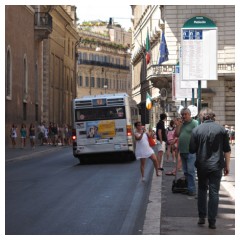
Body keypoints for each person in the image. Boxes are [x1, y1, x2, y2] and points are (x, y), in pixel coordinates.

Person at [189, 108, 231, 229]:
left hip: (202, 166)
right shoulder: (222, 130)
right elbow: (227, 150)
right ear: (213, 117)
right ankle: (212, 221)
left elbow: (191, 149)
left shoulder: (196, 130)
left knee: (202, 190)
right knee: (214, 192)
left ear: (202, 117)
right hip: (217, 166)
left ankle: (202, 217)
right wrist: (227, 166)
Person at [175, 107, 198, 196]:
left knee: (191, 171)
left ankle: (192, 190)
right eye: (182, 115)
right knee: (185, 171)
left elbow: (198, 135)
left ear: (190, 115)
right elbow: (177, 134)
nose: (184, 116)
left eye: (185, 114)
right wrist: (179, 125)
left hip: (191, 151)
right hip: (183, 151)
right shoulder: (182, 124)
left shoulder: (195, 123)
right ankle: (189, 188)